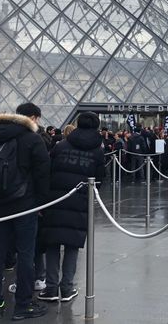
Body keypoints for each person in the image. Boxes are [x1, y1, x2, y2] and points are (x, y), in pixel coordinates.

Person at [0, 103, 50, 321]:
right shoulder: (33, 139)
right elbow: (43, 175)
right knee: (25, 254)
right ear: (33, 118)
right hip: (25, 203)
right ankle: (23, 305)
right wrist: (41, 205)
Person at [38, 112, 105, 303]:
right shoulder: (97, 151)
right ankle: (67, 288)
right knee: (72, 244)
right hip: (80, 201)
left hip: (55, 200)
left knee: (51, 243)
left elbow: (47, 172)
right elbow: (99, 179)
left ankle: (50, 289)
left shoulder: (60, 146)